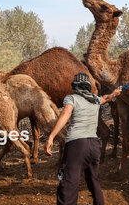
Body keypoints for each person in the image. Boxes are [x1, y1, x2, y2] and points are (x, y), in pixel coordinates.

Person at [44, 73, 122, 205]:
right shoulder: (95, 100)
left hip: (77, 145)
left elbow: (66, 113)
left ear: (75, 86)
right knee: (94, 182)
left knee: (68, 183)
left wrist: (51, 137)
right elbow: (106, 98)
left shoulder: (72, 98)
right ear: (87, 86)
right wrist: (115, 93)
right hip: (94, 145)